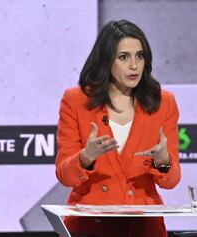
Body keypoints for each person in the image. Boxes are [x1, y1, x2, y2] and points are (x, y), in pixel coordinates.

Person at [55, 19, 181, 237]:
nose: (134, 65)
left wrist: (163, 161)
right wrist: (86, 157)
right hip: (89, 227)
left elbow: (171, 181)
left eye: (139, 56)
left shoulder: (163, 102)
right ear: (106, 61)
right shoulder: (76, 101)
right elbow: (65, 176)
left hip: (143, 227)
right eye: (124, 57)